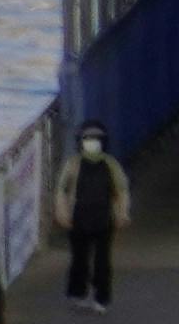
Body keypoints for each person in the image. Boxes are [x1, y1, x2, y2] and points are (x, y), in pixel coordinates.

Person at [52, 121, 126, 305]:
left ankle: (102, 297)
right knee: (79, 258)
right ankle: (77, 292)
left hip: (104, 218)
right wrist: (62, 214)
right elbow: (61, 190)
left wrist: (121, 214)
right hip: (78, 218)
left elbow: (121, 191)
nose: (92, 143)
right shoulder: (73, 164)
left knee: (103, 261)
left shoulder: (111, 165)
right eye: (88, 139)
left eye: (96, 139)